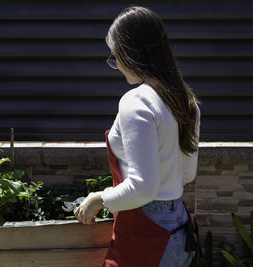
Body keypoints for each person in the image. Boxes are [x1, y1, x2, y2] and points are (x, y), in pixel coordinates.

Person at [74, 6, 201, 267]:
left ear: (130, 53)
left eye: (115, 55)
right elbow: (186, 174)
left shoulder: (136, 102)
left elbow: (144, 187)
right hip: (178, 226)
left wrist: (99, 198)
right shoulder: (186, 101)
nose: (117, 64)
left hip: (146, 231)